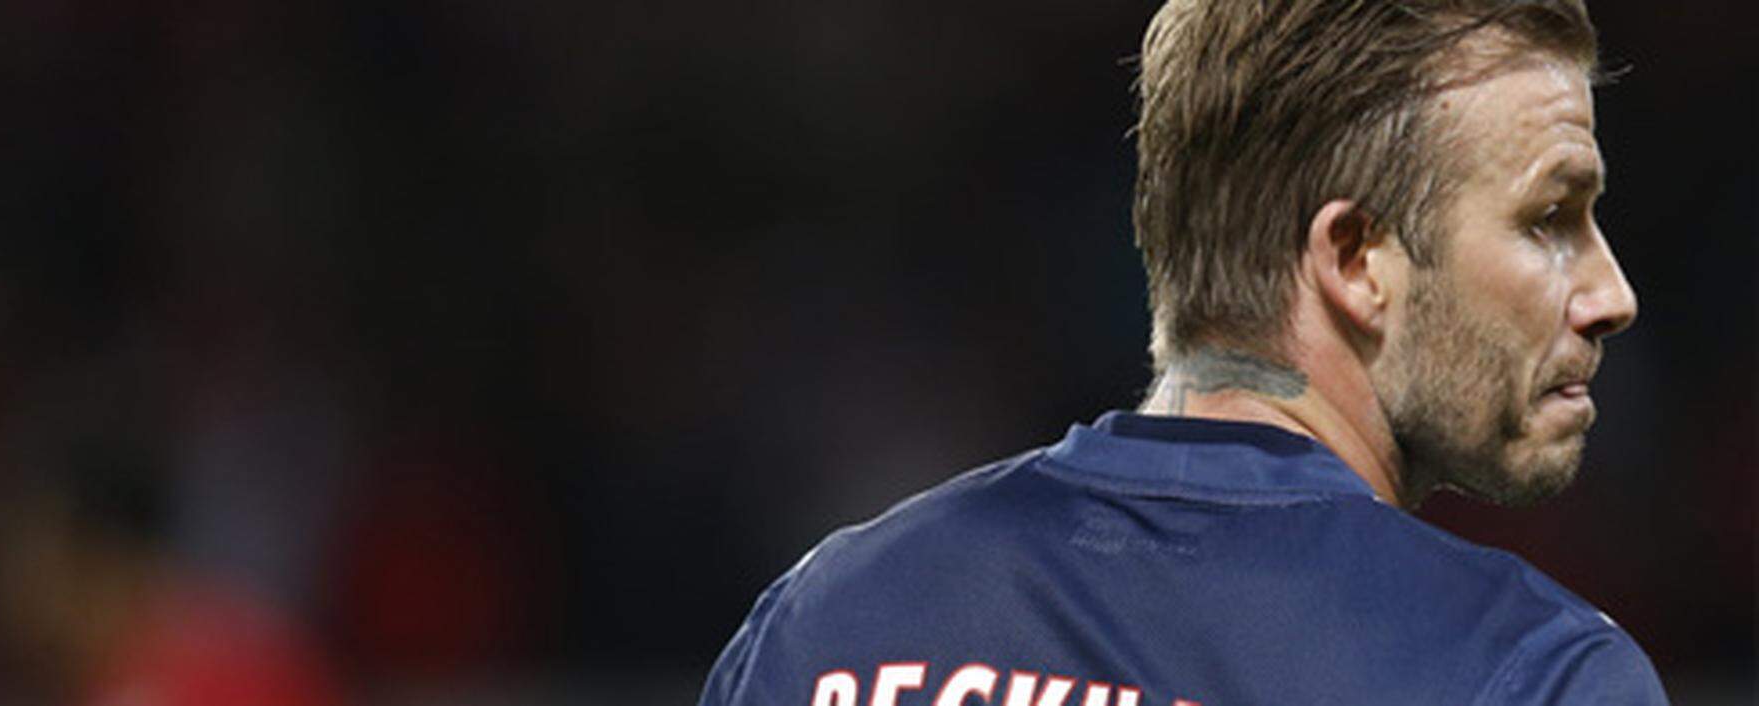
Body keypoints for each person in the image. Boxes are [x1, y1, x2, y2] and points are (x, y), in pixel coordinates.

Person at [699, 0, 1667, 703]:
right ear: (1355, 258)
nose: (1609, 295)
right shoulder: (1530, 673)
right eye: (1551, 217)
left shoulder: (829, 623)